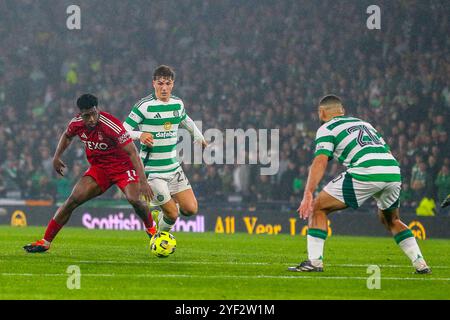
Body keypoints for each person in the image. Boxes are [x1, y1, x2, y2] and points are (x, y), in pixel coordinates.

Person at [288, 95, 431, 274]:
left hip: (366, 170)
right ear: (343, 111)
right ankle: (420, 263)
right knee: (392, 220)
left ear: (322, 112)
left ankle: (315, 262)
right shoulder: (364, 124)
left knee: (318, 207)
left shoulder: (327, 128)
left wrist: (308, 192)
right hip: (392, 170)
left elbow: (320, 161)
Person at [24, 94, 155, 253]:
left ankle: (151, 229)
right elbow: (67, 135)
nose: (92, 119)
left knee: (135, 199)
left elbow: (133, 152)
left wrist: (143, 181)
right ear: (81, 114)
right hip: (100, 168)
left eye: (94, 113)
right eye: (87, 116)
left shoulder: (111, 125)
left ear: (97, 109)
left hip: (123, 167)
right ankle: (45, 241)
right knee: (72, 200)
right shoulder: (77, 123)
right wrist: (56, 157)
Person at [123, 65, 207, 232]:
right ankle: (158, 237)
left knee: (190, 209)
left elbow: (185, 120)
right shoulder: (144, 106)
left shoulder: (177, 104)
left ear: (172, 84)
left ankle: (160, 215)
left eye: (168, 83)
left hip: (173, 168)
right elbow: (122, 131)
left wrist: (198, 136)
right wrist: (140, 135)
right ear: (153, 83)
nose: (164, 88)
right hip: (152, 171)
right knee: (173, 215)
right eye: (160, 83)